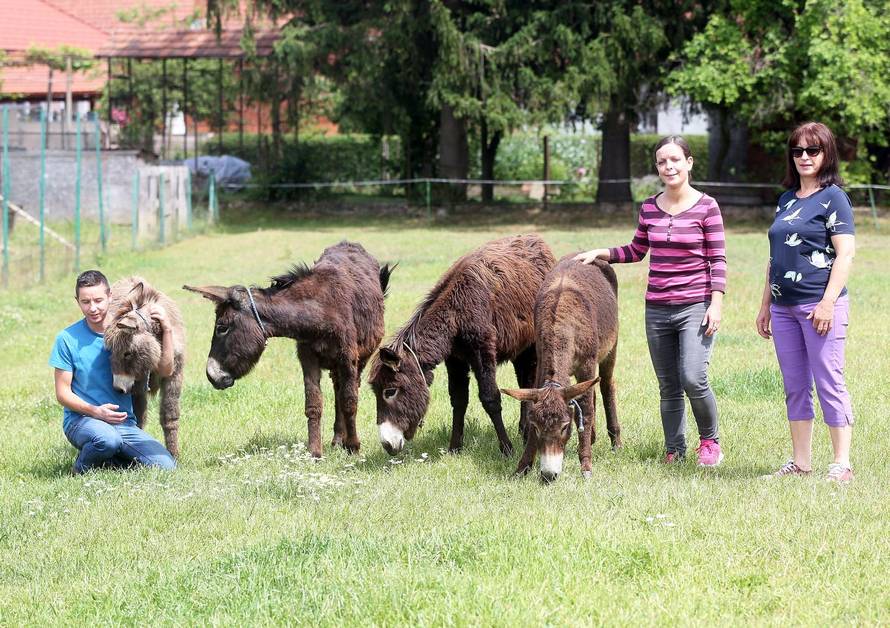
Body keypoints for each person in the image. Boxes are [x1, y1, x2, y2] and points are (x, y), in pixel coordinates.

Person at [575, 136, 726, 466]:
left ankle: (710, 442)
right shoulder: (649, 206)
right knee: (668, 384)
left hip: (695, 306)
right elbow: (636, 250)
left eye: (675, 160)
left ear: (689, 163)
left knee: (692, 378)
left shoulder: (707, 207)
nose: (668, 167)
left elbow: (718, 258)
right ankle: (674, 449)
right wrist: (600, 253)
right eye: (662, 162)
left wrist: (716, 304)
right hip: (657, 309)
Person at [756, 122, 855, 483]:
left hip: (819, 306)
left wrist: (828, 303)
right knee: (795, 384)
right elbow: (775, 257)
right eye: (797, 151)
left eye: (812, 150)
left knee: (829, 379)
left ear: (827, 154)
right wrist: (766, 304)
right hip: (783, 309)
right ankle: (800, 462)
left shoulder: (834, 198)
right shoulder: (786, 199)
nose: (804, 157)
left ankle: (842, 463)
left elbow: (845, 254)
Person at [49, 270, 177, 474]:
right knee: (107, 440)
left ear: (110, 296)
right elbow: (62, 393)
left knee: (166, 466)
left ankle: (109, 461)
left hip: (123, 423)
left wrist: (167, 329)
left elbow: (165, 369)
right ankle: (80, 468)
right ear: (78, 301)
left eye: (98, 300)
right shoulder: (66, 339)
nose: (93, 308)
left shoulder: (129, 330)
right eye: (85, 302)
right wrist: (94, 411)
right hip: (82, 421)